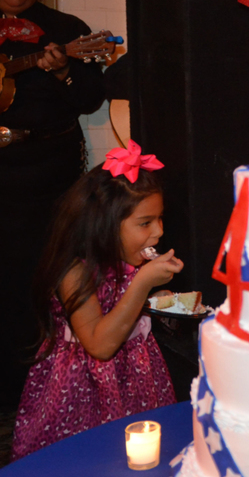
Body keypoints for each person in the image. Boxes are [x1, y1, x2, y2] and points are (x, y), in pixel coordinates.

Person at [11, 143, 181, 460]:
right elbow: (100, 345)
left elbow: (125, 309)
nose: (158, 232)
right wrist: (143, 284)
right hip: (81, 390)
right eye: (145, 223)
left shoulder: (130, 262)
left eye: (160, 219)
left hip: (136, 379)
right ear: (104, 223)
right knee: (90, 462)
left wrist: (158, 300)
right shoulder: (74, 271)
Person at [0, 0, 105, 428]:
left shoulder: (66, 30)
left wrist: (65, 70)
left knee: (45, 281)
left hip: (49, 172)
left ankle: (45, 395)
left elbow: (89, 100)